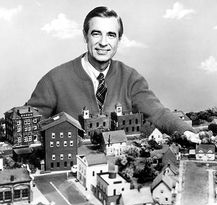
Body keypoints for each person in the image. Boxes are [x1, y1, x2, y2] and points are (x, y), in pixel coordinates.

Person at [27, 6, 199, 142]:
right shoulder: (54, 79)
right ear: (85, 36)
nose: (103, 42)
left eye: (111, 35)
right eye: (96, 34)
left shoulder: (131, 78)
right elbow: (29, 122)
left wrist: (188, 132)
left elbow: (158, 114)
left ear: (119, 40)